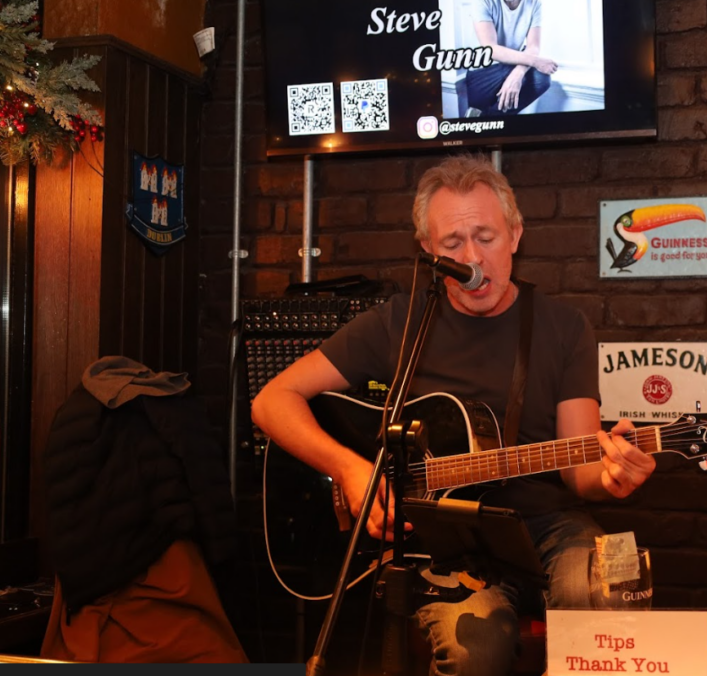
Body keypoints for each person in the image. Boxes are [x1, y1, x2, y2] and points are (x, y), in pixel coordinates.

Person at [251, 155, 655, 676]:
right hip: (446, 542)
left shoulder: (563, 328)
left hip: (551, 525)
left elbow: (581, 472)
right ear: (428, 251)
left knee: (606, 600)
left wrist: (613, 475)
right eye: (452, 245)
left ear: (515, 234)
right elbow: (271, 402)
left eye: (486, 237)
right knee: (475, 650)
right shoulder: (400, 321)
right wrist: (350, 469)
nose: (472, 258)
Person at [464, 0, 557, 115]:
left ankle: (483, 116)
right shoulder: (483, 2)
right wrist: (535, 61)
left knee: (541, 78)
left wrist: (518, 73)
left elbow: (533, 46)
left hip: (510, 67)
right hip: (482, 76)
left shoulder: (534, 3)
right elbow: (491, 49)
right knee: (536, 74)